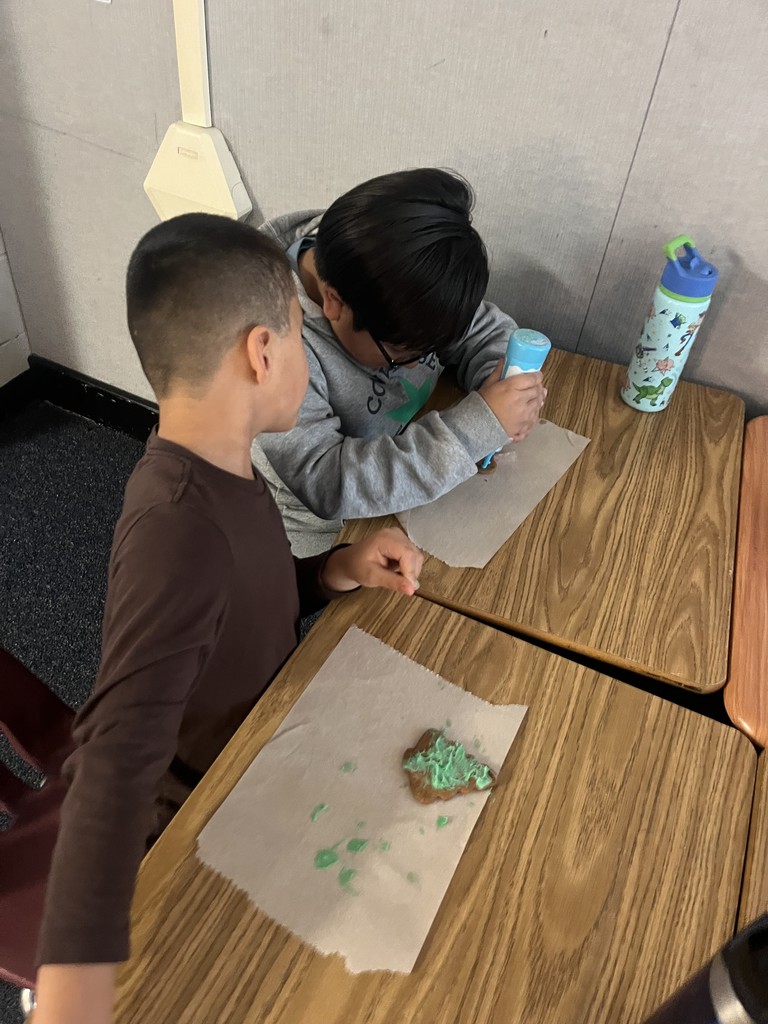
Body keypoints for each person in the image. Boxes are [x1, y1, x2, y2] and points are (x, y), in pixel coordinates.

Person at [30, 214, 422, 1024]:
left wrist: (334, 571)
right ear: (262, 353)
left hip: (267, 733)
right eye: (300, 331)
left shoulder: (225, 465)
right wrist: (73, 990)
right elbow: (112, 757)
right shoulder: (176, 528)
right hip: (208, 811)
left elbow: (246, 598)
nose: (307, 351)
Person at [253, 168, 547, 556]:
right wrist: (473, 429)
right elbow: (328, 482)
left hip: (410, 462)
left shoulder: (393, 268)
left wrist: (501, 382)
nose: (415, 365)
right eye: (404, 353)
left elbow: (480, 329)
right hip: (319, 533)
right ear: (334, 303)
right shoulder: (275, 353)